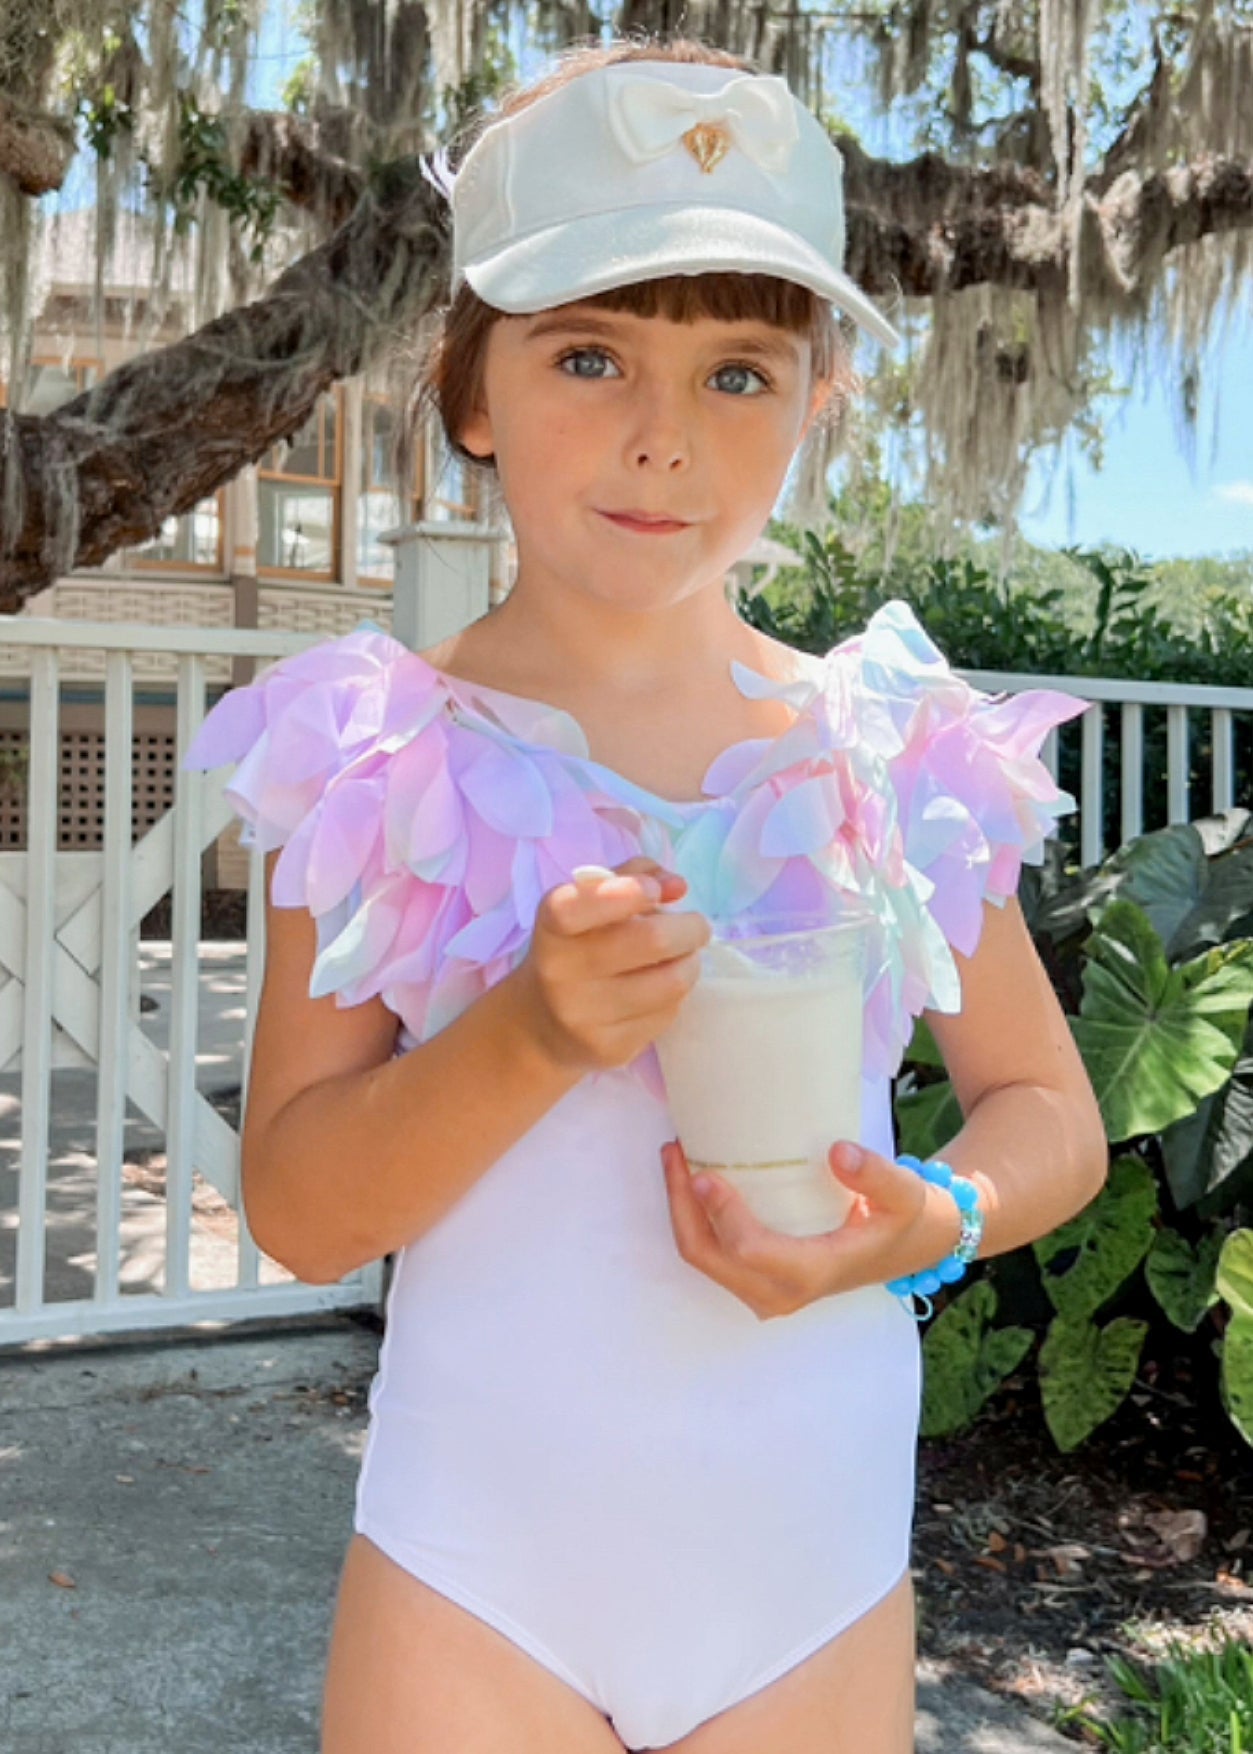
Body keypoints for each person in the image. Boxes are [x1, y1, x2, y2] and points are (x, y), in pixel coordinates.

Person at [182, 36, 1108, 1754]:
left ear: (815, 405)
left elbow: (1047, 1113)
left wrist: (931, 1218)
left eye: (737, 373)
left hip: (808, 1590)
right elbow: (304, 1209)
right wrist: (528, 1034)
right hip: (475, 1593)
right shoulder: (377, 758)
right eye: (590, 355)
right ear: (470, 388)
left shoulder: (885, 754)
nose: (662, 439)